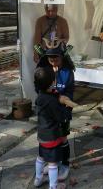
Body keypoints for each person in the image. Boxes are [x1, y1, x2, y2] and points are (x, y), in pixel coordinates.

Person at [36, 40, 75, 181]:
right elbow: (38, 87)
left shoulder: (67, 71)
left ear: (62, 57)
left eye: (56, 58)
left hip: (63, 111)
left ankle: (64, 164)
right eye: (50, 58)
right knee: (51, 139)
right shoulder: (43, 69)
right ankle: (54, 162)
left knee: (63, 137)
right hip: (48, 113)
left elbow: (70, 91)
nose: (53, 61)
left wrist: (63, 98)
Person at [33, 66, 72, 189]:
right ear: (53, 82)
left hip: (42, 135)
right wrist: (68, 107)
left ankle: (38, 179)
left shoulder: (40, 96)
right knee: (52, 164)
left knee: (40, 158)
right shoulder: (52, 102)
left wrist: (57, 97)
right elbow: (61, 117)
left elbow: (50, 96)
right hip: (52, 136)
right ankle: (53, 186)